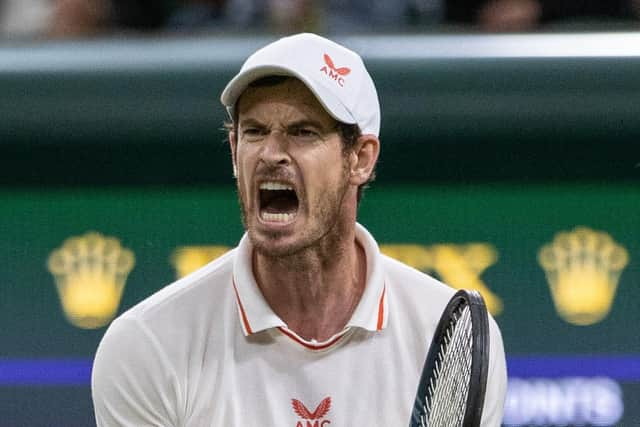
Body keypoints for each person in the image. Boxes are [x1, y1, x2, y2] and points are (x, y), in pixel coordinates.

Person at [91, 33, 507, 426]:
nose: (271, 154)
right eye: (254, 131)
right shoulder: (146, 345)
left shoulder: (450, 336)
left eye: (303, 132)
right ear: (235, 151)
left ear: (360, 159)